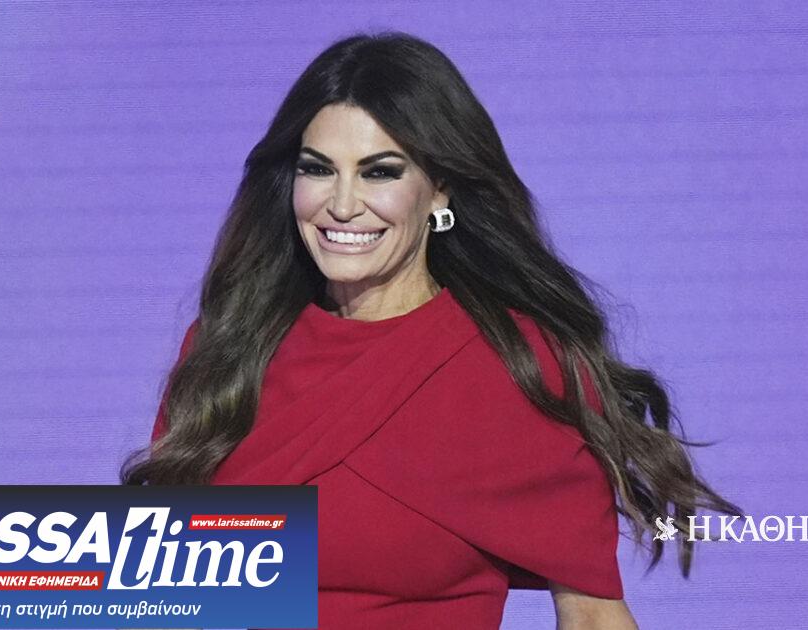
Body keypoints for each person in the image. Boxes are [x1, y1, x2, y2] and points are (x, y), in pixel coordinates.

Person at [123, 31, 741, 629]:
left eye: (379, 172)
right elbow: (165, 598)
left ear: (439, 189)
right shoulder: (230, 349)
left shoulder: (520, 364)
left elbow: (593, 615)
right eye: (318, 169)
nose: (342, 205)